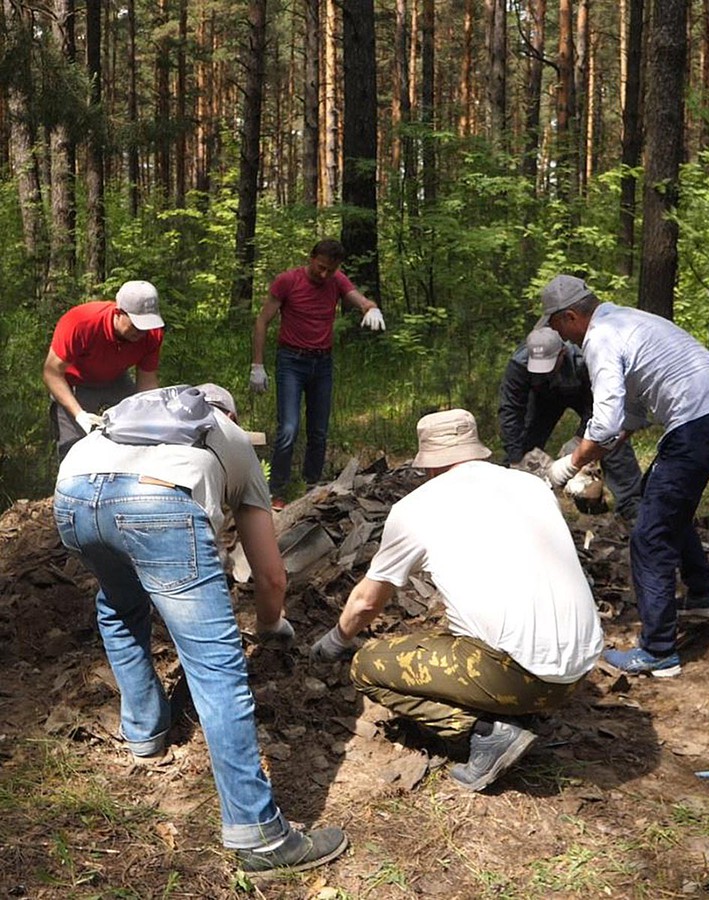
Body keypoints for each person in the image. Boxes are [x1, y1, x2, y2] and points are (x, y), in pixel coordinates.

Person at [53, 383, 348, 874]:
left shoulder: (137, 415)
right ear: (228, 412)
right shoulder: (228, 436)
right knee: (215, 665)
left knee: (121, 606)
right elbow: (270, 574)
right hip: (155, 506)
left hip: (73, 495)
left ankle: (145, 731)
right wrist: (271, 626)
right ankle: (260, 837)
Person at [310, 409, 603, 792]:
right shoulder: (530, 486)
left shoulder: (415, 508)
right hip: (580, 670)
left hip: (526, 679)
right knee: (456, 632)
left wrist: (333, 642)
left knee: (368, 665)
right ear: (477, 450)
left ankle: (486, 733)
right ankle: (513, 704)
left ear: (427, 463)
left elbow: (366, 602)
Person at [540, 275, 709, 678]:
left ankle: (658, 651)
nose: (558, 336)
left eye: (556, 326)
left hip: (698, 422)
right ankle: (703, 593)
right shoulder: (627, 321)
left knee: (649, 535)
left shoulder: (600, 338)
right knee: (663, 501)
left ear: (570, 317)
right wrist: (613, 441)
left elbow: (603, 423)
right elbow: (631, 410)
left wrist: (567, 466)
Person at [250, 239, 386, 509]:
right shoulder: (288, 281)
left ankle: (312, 485)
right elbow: (263, 320)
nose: (324, 274)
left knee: (319, 430)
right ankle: (275, 489)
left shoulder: (336, 281)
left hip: (321, 363)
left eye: (330, 270)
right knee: (288, 428)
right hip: (291, 361)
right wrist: (257, 365)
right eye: (321, 268)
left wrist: (370, 307)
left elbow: (358, 298)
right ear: (311, 258)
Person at [499, 326, 642, 520]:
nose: (542, 370)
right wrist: (516, 458)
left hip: (585, 395)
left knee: (608, 437)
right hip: (543, 398)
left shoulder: (586, 359)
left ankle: (631, 506)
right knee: (523, 443)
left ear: (562, 353)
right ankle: (513, 502)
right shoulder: (518, 364)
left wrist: (580, 439)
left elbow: (602, 407)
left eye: (549, 363)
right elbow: (510, 411)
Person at [43, 280, 165, 460]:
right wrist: (80, 415)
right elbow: (51, 373)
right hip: (74, 383)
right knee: (74, 449)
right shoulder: (80, 323)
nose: (142, 332)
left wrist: (153, 416)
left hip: (116, 380)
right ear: (118, 313)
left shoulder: (152, 334)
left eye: (147, 325)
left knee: (139, 434)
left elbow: (147, 382)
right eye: (137, 324)